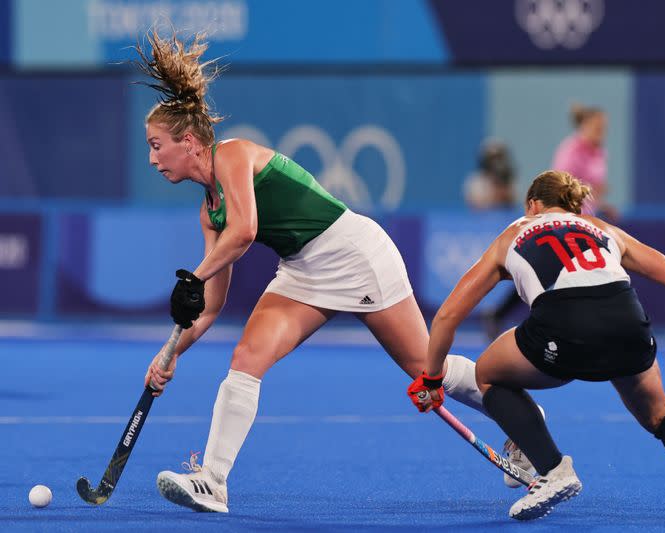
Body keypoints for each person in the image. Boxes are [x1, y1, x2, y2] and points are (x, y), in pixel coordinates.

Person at [133, 29, 529, 513]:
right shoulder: (207, 213)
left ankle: (524, 426)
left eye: (156, 145)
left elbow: (245, 230)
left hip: (353, 252)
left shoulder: (231, 155)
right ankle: (213, 481)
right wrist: (170, 352)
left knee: (428, 369)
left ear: (189, 141)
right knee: (248, 355)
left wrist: (193, 276)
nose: (152, 158)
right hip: (302, 269)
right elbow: (210, 306)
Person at [408, 170, 665, 523]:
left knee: (487, 373)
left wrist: (431, 379)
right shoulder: (603, 229)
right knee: (659, 414)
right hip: (628, 322)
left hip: (564, 329)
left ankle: (553, 469)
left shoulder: (514, 232)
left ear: (533, 204)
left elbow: (447, 317)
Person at [552, 104, 618, 220]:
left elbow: (593, 190)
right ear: (585, 125)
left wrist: (601, 205)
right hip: (569, 217)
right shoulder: (570, 151)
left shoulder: (600, 153)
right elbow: (560, 188)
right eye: (597, 128)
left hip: (588, 216)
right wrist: (591, 190)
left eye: (603, 128)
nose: (601, 133)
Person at [463, 140, 517, 210]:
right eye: (492, 158)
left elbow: (513, 203)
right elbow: (477, 206)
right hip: (483, 219)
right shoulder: (476, 181)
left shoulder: (509, 181)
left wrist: (503, 186)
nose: (495, 162)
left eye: (499, 158)